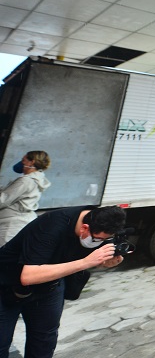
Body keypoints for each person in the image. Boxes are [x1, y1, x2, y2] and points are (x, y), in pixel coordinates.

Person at [0, 205, 126, 357]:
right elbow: (28, 276)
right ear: (84, 228)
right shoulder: (51, 226)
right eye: (98, 239)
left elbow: (81, 257)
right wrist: (86, 262)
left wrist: (102, 263)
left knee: (44, 341)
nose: (99, 243)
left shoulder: (98, 221)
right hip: (7, 283)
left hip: (49, 286)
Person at [0, 151, 52, 245]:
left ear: (31, 162)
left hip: (10, 225)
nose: (21, 163)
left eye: (23, 160)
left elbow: (3, 200)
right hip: (20, 222)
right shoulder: (38, 178)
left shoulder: (25, 181)